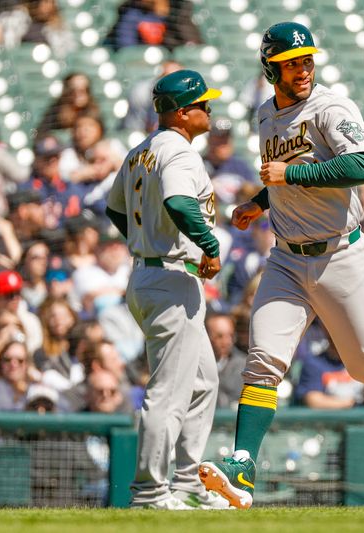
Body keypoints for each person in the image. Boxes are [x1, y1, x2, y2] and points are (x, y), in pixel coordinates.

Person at [199, 22, 364, 511]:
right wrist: (260, 201)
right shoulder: (264, 114)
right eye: (291, 62)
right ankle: (242, 469)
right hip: (286, 258)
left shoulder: (329, 107)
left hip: (341, 253)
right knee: (264, 360)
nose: (302, 69)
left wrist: (288, 174)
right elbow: (284, 178)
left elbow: (362, 167)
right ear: (270, 67)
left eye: (307, 60)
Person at [105, 69, 225, 511]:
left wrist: (146, 241)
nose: (208, 110)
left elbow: (115, 209)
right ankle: (151, 493)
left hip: (152, 273)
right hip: (169, 279)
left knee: (203, 382)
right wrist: (208, 246)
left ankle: (189, 483)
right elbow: (178, 202)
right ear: (180, 113)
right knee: (169, 390)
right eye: (202, 104)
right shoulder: (179, 152)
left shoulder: (140, 152)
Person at [205, 311, 246, 409]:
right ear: (206, 337)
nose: (227, 341)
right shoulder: (195, 366)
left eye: (231, 335)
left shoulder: (244, 366)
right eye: (219, 336)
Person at [37, 73, 101, 134]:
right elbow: (42, 135)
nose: (77, 94)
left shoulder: (95, 114)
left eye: (83, 90)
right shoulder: (55, 111)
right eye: (72, 90)